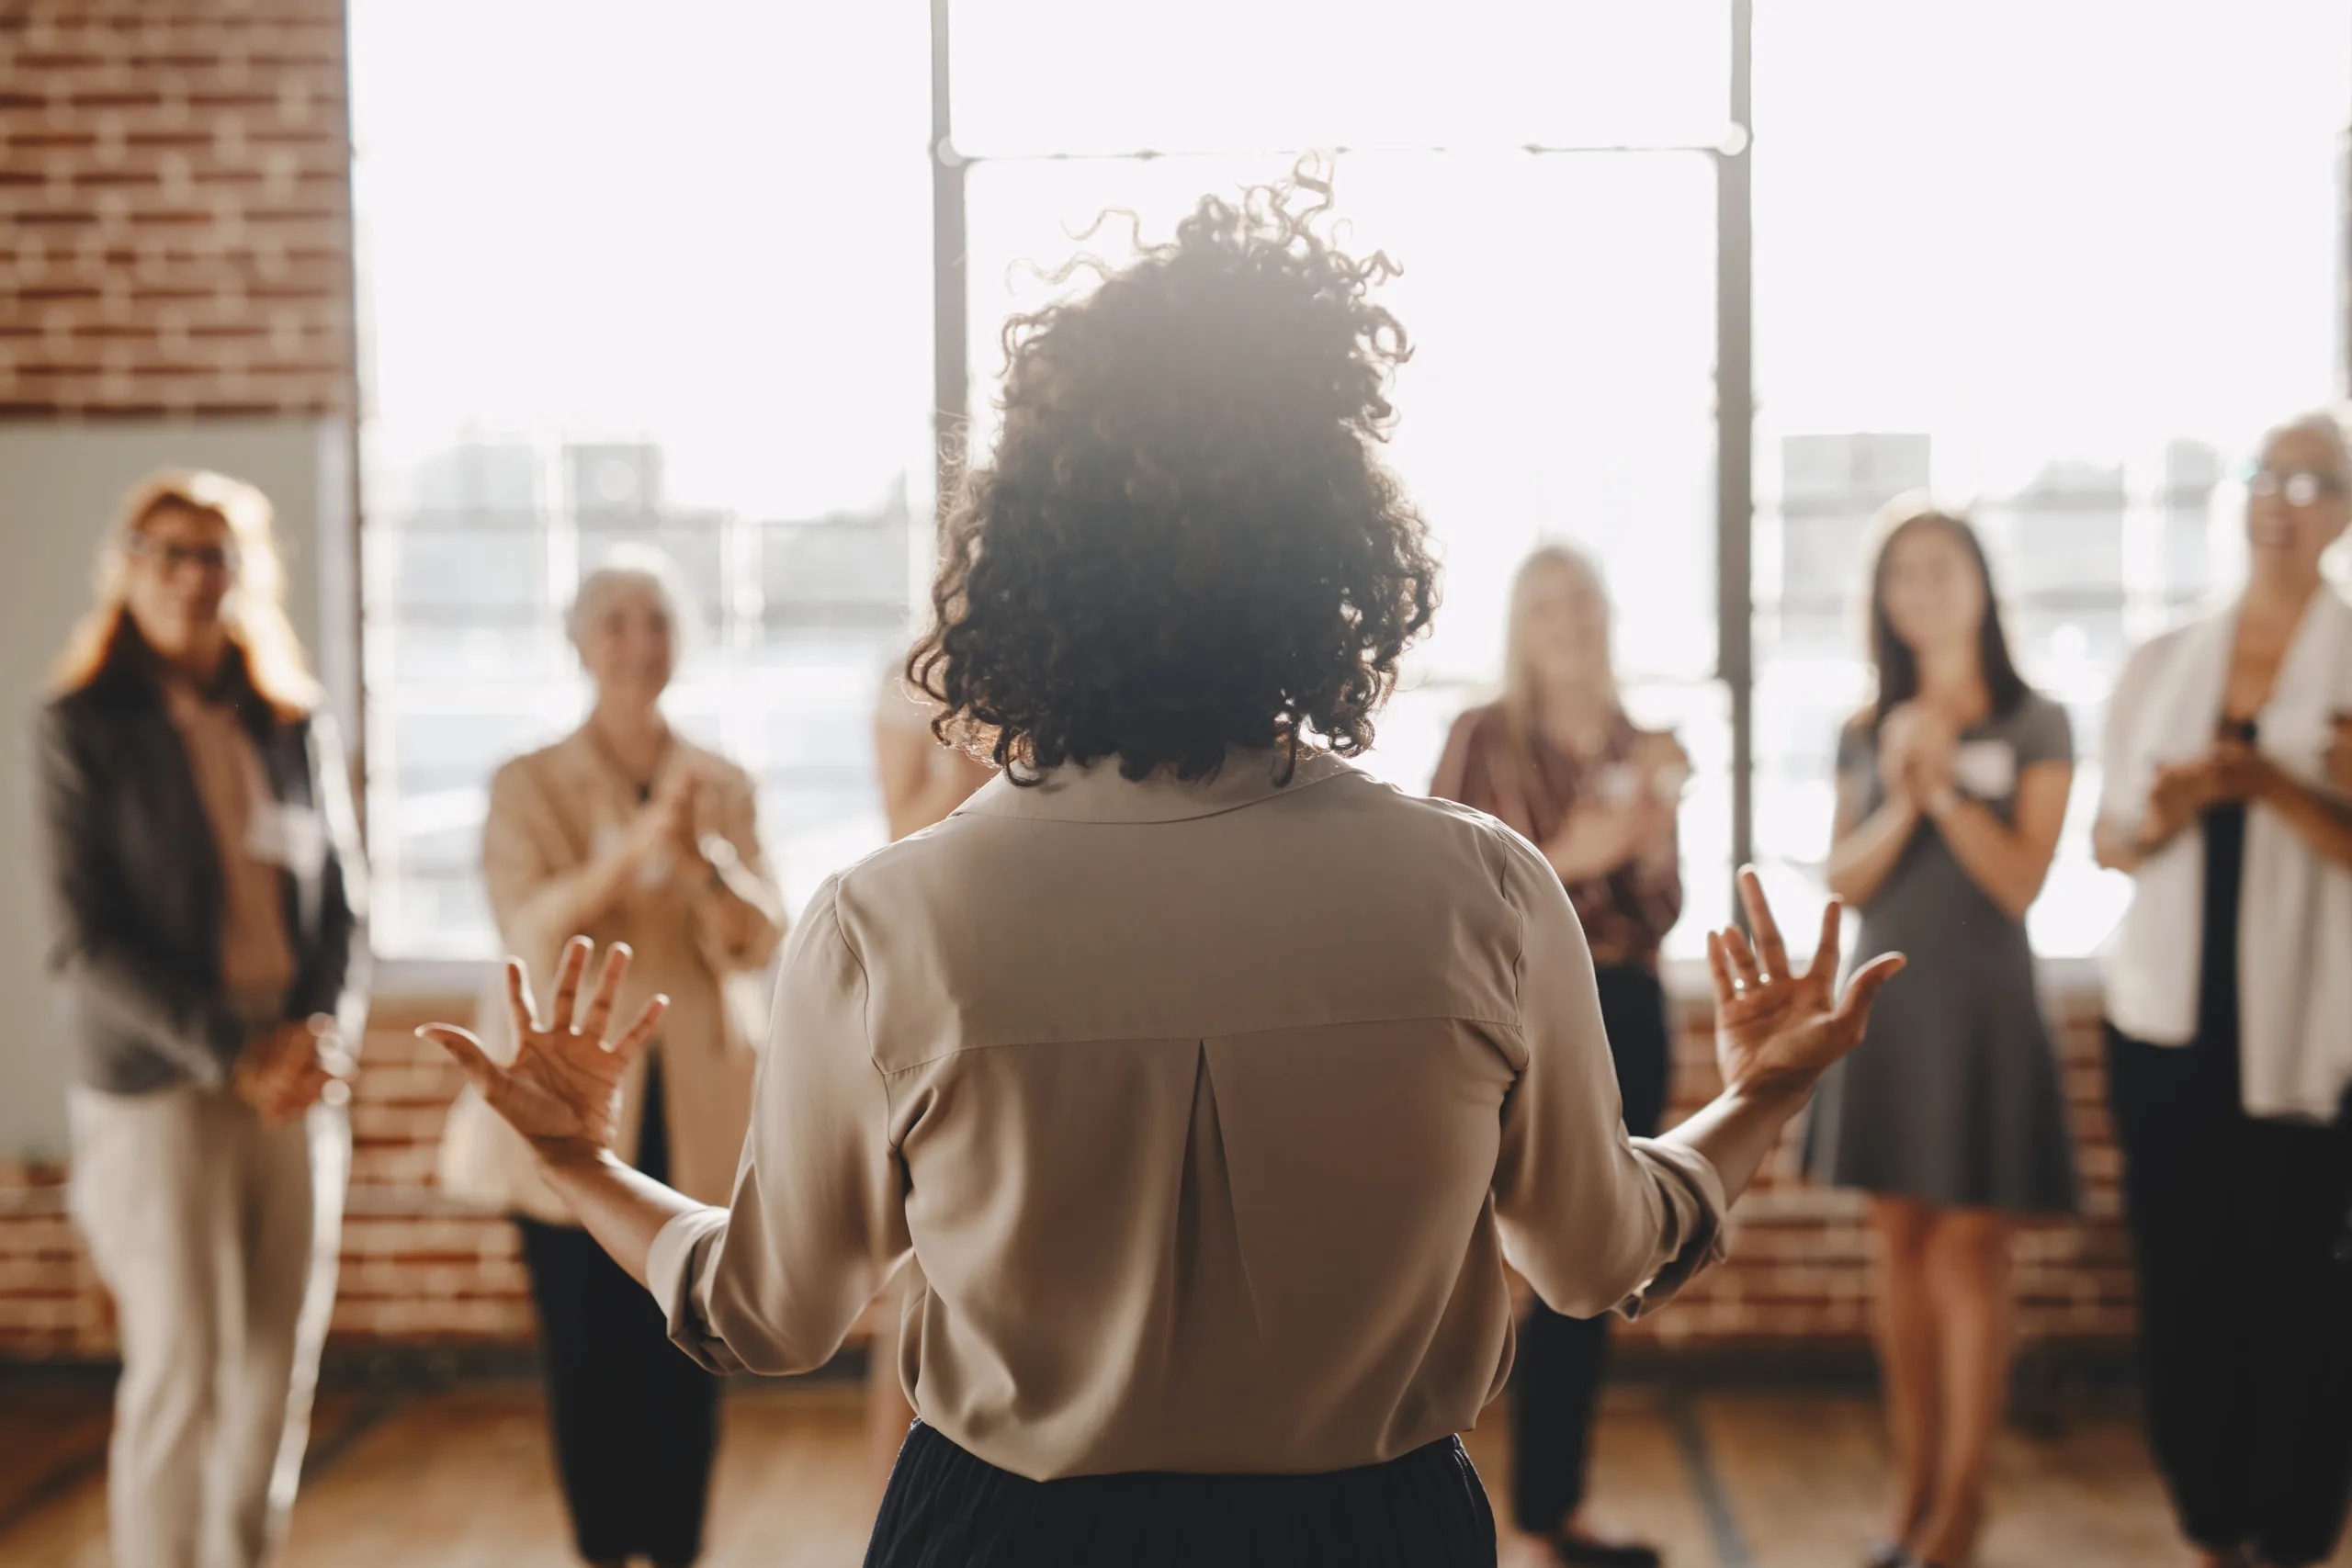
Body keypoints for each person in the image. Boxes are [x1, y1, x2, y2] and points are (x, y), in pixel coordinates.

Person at [422, 173, 1903, 1567]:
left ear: (1014, 569)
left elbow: (765, 1312)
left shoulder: (889, 920)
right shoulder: (1485, 892)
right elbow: (1597, 1258)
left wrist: (577, 1159)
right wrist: (1765, 1087)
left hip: (1007, 1533)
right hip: (1372, 1532)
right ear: (1338, 566)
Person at [38, 470, 368, 1568]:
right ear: (128, 569)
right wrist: (235, 1054)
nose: (191, 575)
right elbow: (86, 941)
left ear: (244, 574)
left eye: (214, 553)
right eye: (166, 552)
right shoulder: (82, 725)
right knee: (184, 1364)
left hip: (293, 1083)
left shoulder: (288, 719)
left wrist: (316, 1038)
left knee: (276, 1365)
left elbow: (342, 907)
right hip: (162, 1087)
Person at [478, 551, 786, 1568]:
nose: (636, 641)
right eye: (613, 621)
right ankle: (604, 1553)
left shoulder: (725, 784)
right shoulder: (526, 783)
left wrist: (705, 862)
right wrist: (628, 849)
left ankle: (680, 1551)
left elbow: (763, 938)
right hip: (569, 1097)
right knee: (586, 1359)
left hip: (692, 1103)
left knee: (687, 1349)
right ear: (578, 642)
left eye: (655, 619)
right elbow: (527, 928)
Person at [2093, 412, 2352, 1568]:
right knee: (2186, 1283)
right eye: (2265, 475)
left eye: (2313, 482)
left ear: (2343, 511)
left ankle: (2291, 1533)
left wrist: (2281, 789)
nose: (2281, 500)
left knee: (2301, 1291)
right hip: (2168, 1025)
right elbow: (2112, 841)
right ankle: (2205, 1520)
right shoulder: (2163, 661)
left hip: (2311, 1030)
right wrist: (2176, 807)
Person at [1805, 501, 2078, 1568]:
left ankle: (1964, 1507)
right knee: (1900, 1244)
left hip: (1985, 1005)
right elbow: (1843, 876)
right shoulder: (1864, 728)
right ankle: (1911, 1497)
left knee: (1971, 1248)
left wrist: (1946, 790)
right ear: (1881, 601)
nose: (1920, 587)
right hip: (1890, 1006)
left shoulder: (2036, 720)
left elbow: (2020, 882)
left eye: (1940, 566)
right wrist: (1906, 797)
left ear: (1978, 582)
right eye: (1899, 573)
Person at [1430, 544, 1687, 1568]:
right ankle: (1426, 1511)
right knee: (1451, 1260)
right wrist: (1585, 852)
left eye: (1583, 600)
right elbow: (1453, 890)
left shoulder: (1645, 742)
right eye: (1546, 605)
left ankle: (1549, 1515)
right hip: (1503, 1013)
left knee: (1594, 1263)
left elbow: (1660, 909)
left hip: (1623, 1006)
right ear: (1518, 625)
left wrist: (1645, 841)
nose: (1569, 621)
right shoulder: (1478, 737)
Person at [860, 661, 997, 1492]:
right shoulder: (920, 672)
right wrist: (966, 768)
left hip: (1063, 940)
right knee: (923, 1267)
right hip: (946, 958)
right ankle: (896, 1515)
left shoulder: (1098, 638)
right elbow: (898, 838)